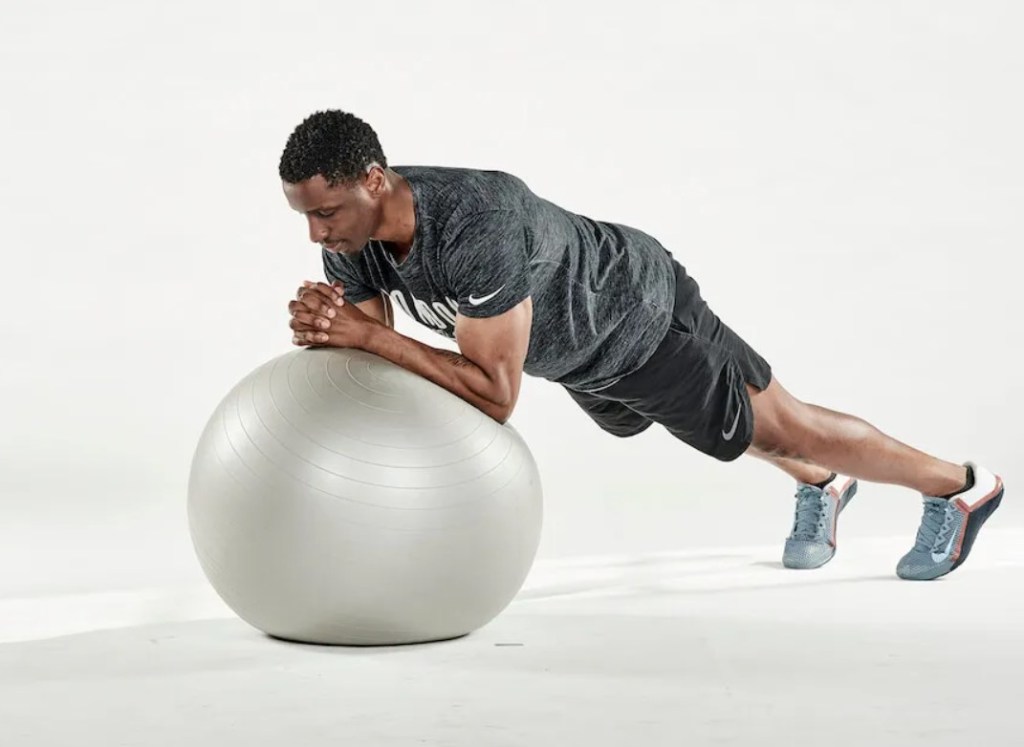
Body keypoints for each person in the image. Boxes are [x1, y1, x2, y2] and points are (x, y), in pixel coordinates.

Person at [280, 109, 1003, 581]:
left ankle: (959, 488)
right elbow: (377, 357)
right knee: (719, 424)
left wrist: (364, 332)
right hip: (578, 355)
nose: (318, 235)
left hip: (642, 319)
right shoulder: (354, 237)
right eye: (305, 217)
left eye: (327, 212)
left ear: (374, 178)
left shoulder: (478, 221)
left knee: (783, 421)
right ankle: (821, 482)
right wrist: (335, 331)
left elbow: (494, 396)